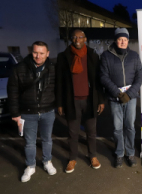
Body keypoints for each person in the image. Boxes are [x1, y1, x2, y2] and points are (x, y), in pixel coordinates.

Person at [56, 29, 105, 173]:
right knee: (73, 133)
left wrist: (101, 100)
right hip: (71, 101)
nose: (77, 40)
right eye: (74, 37)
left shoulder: (92, 55)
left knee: (91, 131)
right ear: (71, 39)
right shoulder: (63, 56)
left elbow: (98, 80)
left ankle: (93, 156)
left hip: (90, 100)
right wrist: (59, 103)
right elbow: (59, 81)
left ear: (85, 39)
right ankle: (72, 158)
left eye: (80, 37)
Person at [7, 41, 57, 182]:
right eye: (35, 52)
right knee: (29, 142)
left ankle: (47, 161)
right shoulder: (19, 68)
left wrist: (58, 105)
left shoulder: (53, 68)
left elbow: (58, 88)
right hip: (28, 113)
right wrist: (15, 114)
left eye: (42, 53)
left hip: (48, 111)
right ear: (31, 52)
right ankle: (30, 166)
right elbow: (13, 92)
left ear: (48, 54)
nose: (38, 56)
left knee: (47, 139)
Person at [100, 28, 142, 168]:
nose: (123, 42)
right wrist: (118, 93)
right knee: (117, 128)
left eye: (125, 39)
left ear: (128, 41)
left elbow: (139, 76)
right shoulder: (106, 56)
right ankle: (119, 154)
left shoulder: (134, 56)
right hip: (114, 98)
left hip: (130, 98)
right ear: (115, 40)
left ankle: (130, 153)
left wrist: (129, 94)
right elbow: (103, 77)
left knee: (130, 126)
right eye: (120, 39)